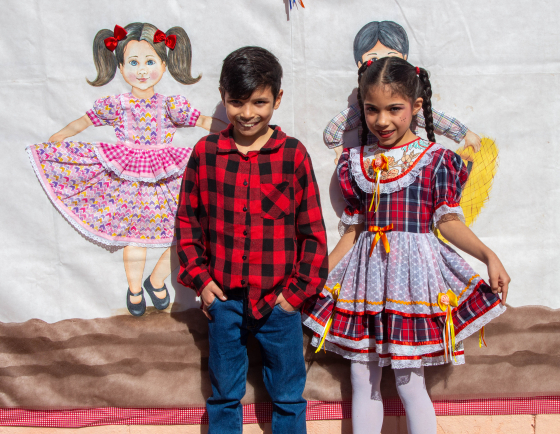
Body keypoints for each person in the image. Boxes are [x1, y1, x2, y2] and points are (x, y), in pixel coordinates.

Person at [302, 56, 510, 434]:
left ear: (415, 106)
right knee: (361, 378)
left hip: (411, 284)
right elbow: (352, 231)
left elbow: (448, 221)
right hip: (364, 285)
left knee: (409, 382)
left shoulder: (435, 160)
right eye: (372, 109)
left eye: (394, 109)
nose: (382, 120)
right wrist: (318, 276)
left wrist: (489, 256)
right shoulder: (355, 162)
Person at [175, 46, 328, 434]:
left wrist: (294, 297)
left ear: (277, 98)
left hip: (279, 303)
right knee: (224, 393)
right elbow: (188, 223)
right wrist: (202, 283)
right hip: (224, 302)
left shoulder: (293, 155)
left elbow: (312, 233)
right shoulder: (206, 153)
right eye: (236, 102)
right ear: (223, 96)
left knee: (289, 395)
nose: (247, 113)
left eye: (259, 102)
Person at [25, 23, 220, 316]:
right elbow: (85, 121)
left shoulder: (170, 105)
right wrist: (61, 136)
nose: (142, 70)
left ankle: (156, 280)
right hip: (127, 176)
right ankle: (135, 289)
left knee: (181, 234)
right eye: (133, 62)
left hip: (166, 177)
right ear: (120, 67)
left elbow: (203, 120)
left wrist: (232, 132)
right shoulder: (117, 105)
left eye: (150, 62)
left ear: (164, 65)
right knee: (134, 236)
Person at [324, 20, 482, 164]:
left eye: (394, 109)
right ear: (360, 64)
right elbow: (334, 127)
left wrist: (464, 133)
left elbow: (437, 119)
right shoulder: (362, 113)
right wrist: (339, 152)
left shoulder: (424, 161)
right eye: (374, 59)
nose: (382, 121)